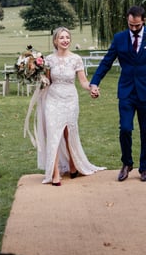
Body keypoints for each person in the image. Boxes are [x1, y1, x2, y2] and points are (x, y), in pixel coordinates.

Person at [89, 5, 146, 182]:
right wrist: (95, 82)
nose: (133, 28)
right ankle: (126, 163)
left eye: (137, 25)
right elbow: (106, 62)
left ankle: (145, 168)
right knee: (125, 128)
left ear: (144, 21)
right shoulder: (119, 38)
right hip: (126, 91)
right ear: (127, 21)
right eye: (130, 25)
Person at [33, 27, 105, 186]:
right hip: (53, 99)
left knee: (68, 133)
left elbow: (83, 82)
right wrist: (38, 79)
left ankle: (73, 164)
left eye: (67, 37)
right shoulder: (49, 60)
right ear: (55, 41)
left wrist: (92, 88)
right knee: (54, 134)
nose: (65, 40)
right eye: (61, 38)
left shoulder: (76, 59)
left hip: (70, 99)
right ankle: (55, 172)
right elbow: (47, 81)